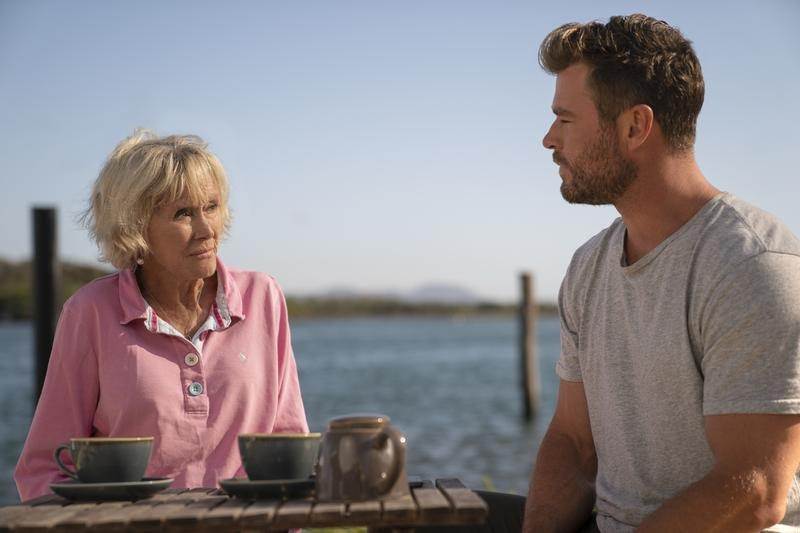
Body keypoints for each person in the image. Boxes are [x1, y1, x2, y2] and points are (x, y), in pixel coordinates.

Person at [523, 14, 800, 533]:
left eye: (565, 119)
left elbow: (755, 490)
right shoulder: (588, 268)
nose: (547, 139)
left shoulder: (751, 266)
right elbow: (573, 443)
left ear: (634, 127)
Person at [14, 131, 309, 501]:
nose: (206, 230)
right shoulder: (89, 311)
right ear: (136, 225)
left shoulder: (263, 296)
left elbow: (289, 444)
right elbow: (45, 469)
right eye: (183, 213)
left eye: (212, 207)